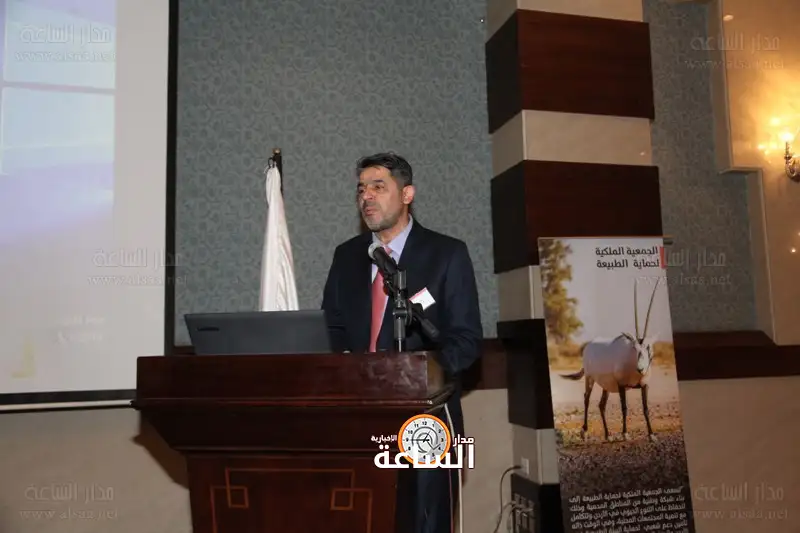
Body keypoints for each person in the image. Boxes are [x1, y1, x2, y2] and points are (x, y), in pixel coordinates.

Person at [321, 152, 483, 533]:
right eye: (361, 189)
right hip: (359, 419)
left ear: (407, 194)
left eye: (378, 187)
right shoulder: (347, 256)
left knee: (425, 522)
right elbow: (331, 329)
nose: (366, 196)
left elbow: (466, 340)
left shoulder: (446, 254)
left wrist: (420, 374)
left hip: (427, 420)